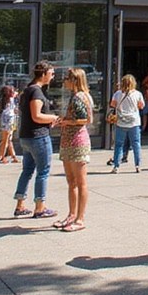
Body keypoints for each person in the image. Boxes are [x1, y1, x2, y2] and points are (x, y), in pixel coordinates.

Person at [13, 60, 61, 219]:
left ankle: (20, 205)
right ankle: (40, 207)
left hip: (27, 136)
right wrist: (53, 117)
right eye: (51, 73)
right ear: (44, 73)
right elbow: (37, 115)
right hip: (38, 137)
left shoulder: (28, 90)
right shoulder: (36, 92)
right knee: (43, 171)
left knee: (27, 171)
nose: (53, 77)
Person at [57, 67, 94, 231]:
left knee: (79, 182)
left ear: (74, 80)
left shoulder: (79, 97)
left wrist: (66, 122)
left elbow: (85, 119)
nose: (64, 81)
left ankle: (79, 218)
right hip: (70, 140)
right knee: (72, 181)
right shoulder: (78, 96)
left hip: (76, 141)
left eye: (66, 78)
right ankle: (72, 215)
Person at [110, 73, 145, 172]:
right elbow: (141, 106)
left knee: (118, 145)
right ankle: (137, 165)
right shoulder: (138, 94)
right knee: (136, 144)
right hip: (134, 122)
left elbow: (113, 104)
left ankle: (116, 166)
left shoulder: (117, 94)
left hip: (121, 122)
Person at [0, 85, 20, 164]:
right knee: (6, 139)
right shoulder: (9, 99)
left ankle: (13, 156)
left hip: (10, 120)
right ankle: (2, 156)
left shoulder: (7, 100)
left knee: (9, 139)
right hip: (8, 120)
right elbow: (15, 95)